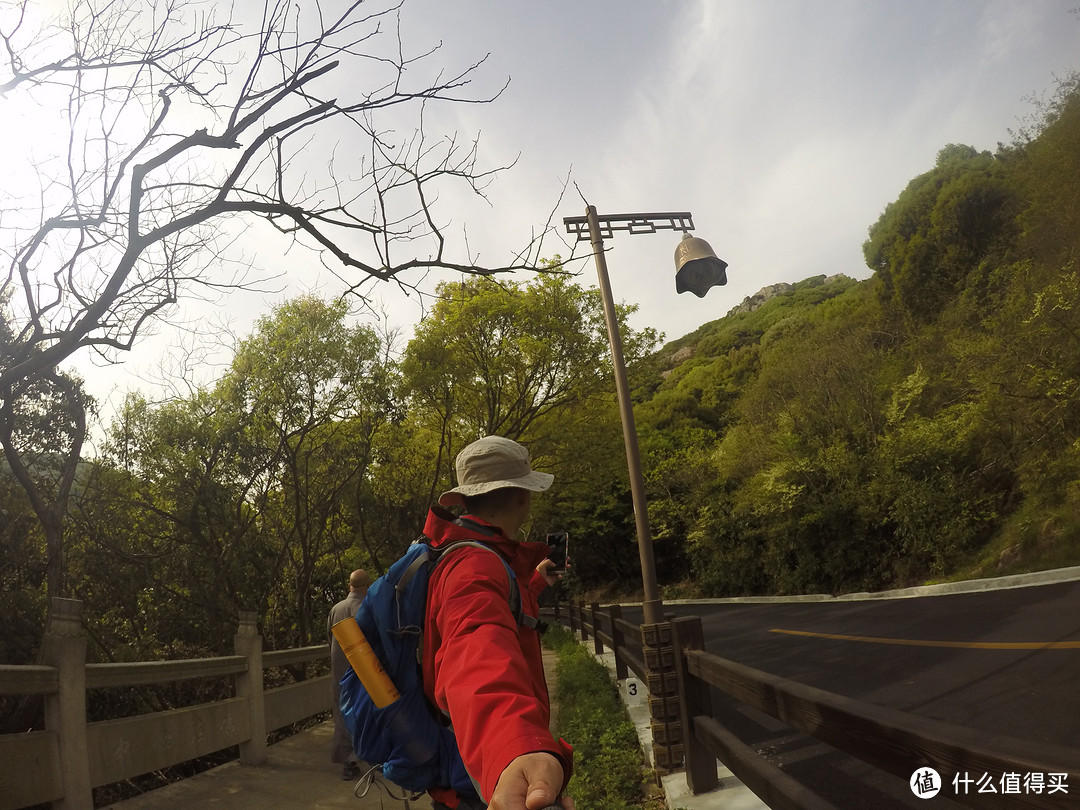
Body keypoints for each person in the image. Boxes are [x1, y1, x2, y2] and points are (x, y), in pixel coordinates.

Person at [422, 435, 575, 810]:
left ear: (466, 498)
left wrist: (535, 583)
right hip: (481, 783)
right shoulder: (475, 565)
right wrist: (513, 747)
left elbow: (497, 622)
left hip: (468, 770)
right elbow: (474, 649)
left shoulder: (475, 555)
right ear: (523, 495)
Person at [327, 568, 371, 780]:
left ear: (349, 585)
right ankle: (366, 756)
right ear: (368, 587)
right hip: (362, 670)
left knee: (342, 713)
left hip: (340, 668)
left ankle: (348, 762)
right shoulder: (367, 608)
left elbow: (330, 637)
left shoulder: (336, 608)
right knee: (363, 712)